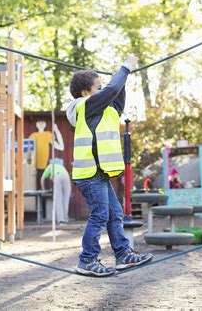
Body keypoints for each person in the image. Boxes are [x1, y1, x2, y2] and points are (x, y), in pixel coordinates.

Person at [66, 55, 153, 277]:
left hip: (100, 173)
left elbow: (116, 95)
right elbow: (112, 90)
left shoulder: (103, 109)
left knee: (115, 214)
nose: (103, 90)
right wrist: (125, 67)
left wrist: (122, 76)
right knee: (100, 215)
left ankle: (123, 254)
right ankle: (87, 260)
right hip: (90, 173)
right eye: (98, 87)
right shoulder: (85, 105)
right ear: (86, 92)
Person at [40, 160, 71, 225]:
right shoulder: (61, 166)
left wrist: (43, 189)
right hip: (67, 177)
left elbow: (42, 178)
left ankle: (61, 221)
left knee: (58, 200)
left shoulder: (49, 166)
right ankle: (65, 219)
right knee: (66, 200)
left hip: (58, 176)